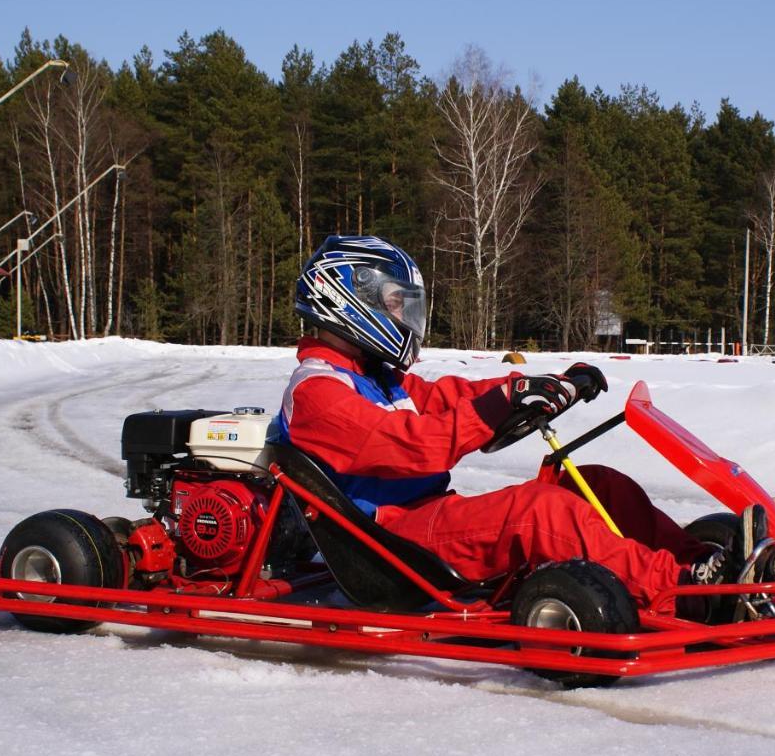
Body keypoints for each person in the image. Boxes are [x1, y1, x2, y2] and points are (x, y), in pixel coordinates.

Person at [274, 235, 739, 613]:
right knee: (539, 513)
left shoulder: (376, 379)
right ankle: (679, 588)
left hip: (427, 517)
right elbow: (412, 445)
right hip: (389, 543)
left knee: (600, 487)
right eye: (395, 305)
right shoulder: (318, 392)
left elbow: (450, 397)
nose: (403, 317)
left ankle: (706, 563)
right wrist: (495, 409)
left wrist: (537, 385)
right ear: (346, 300)